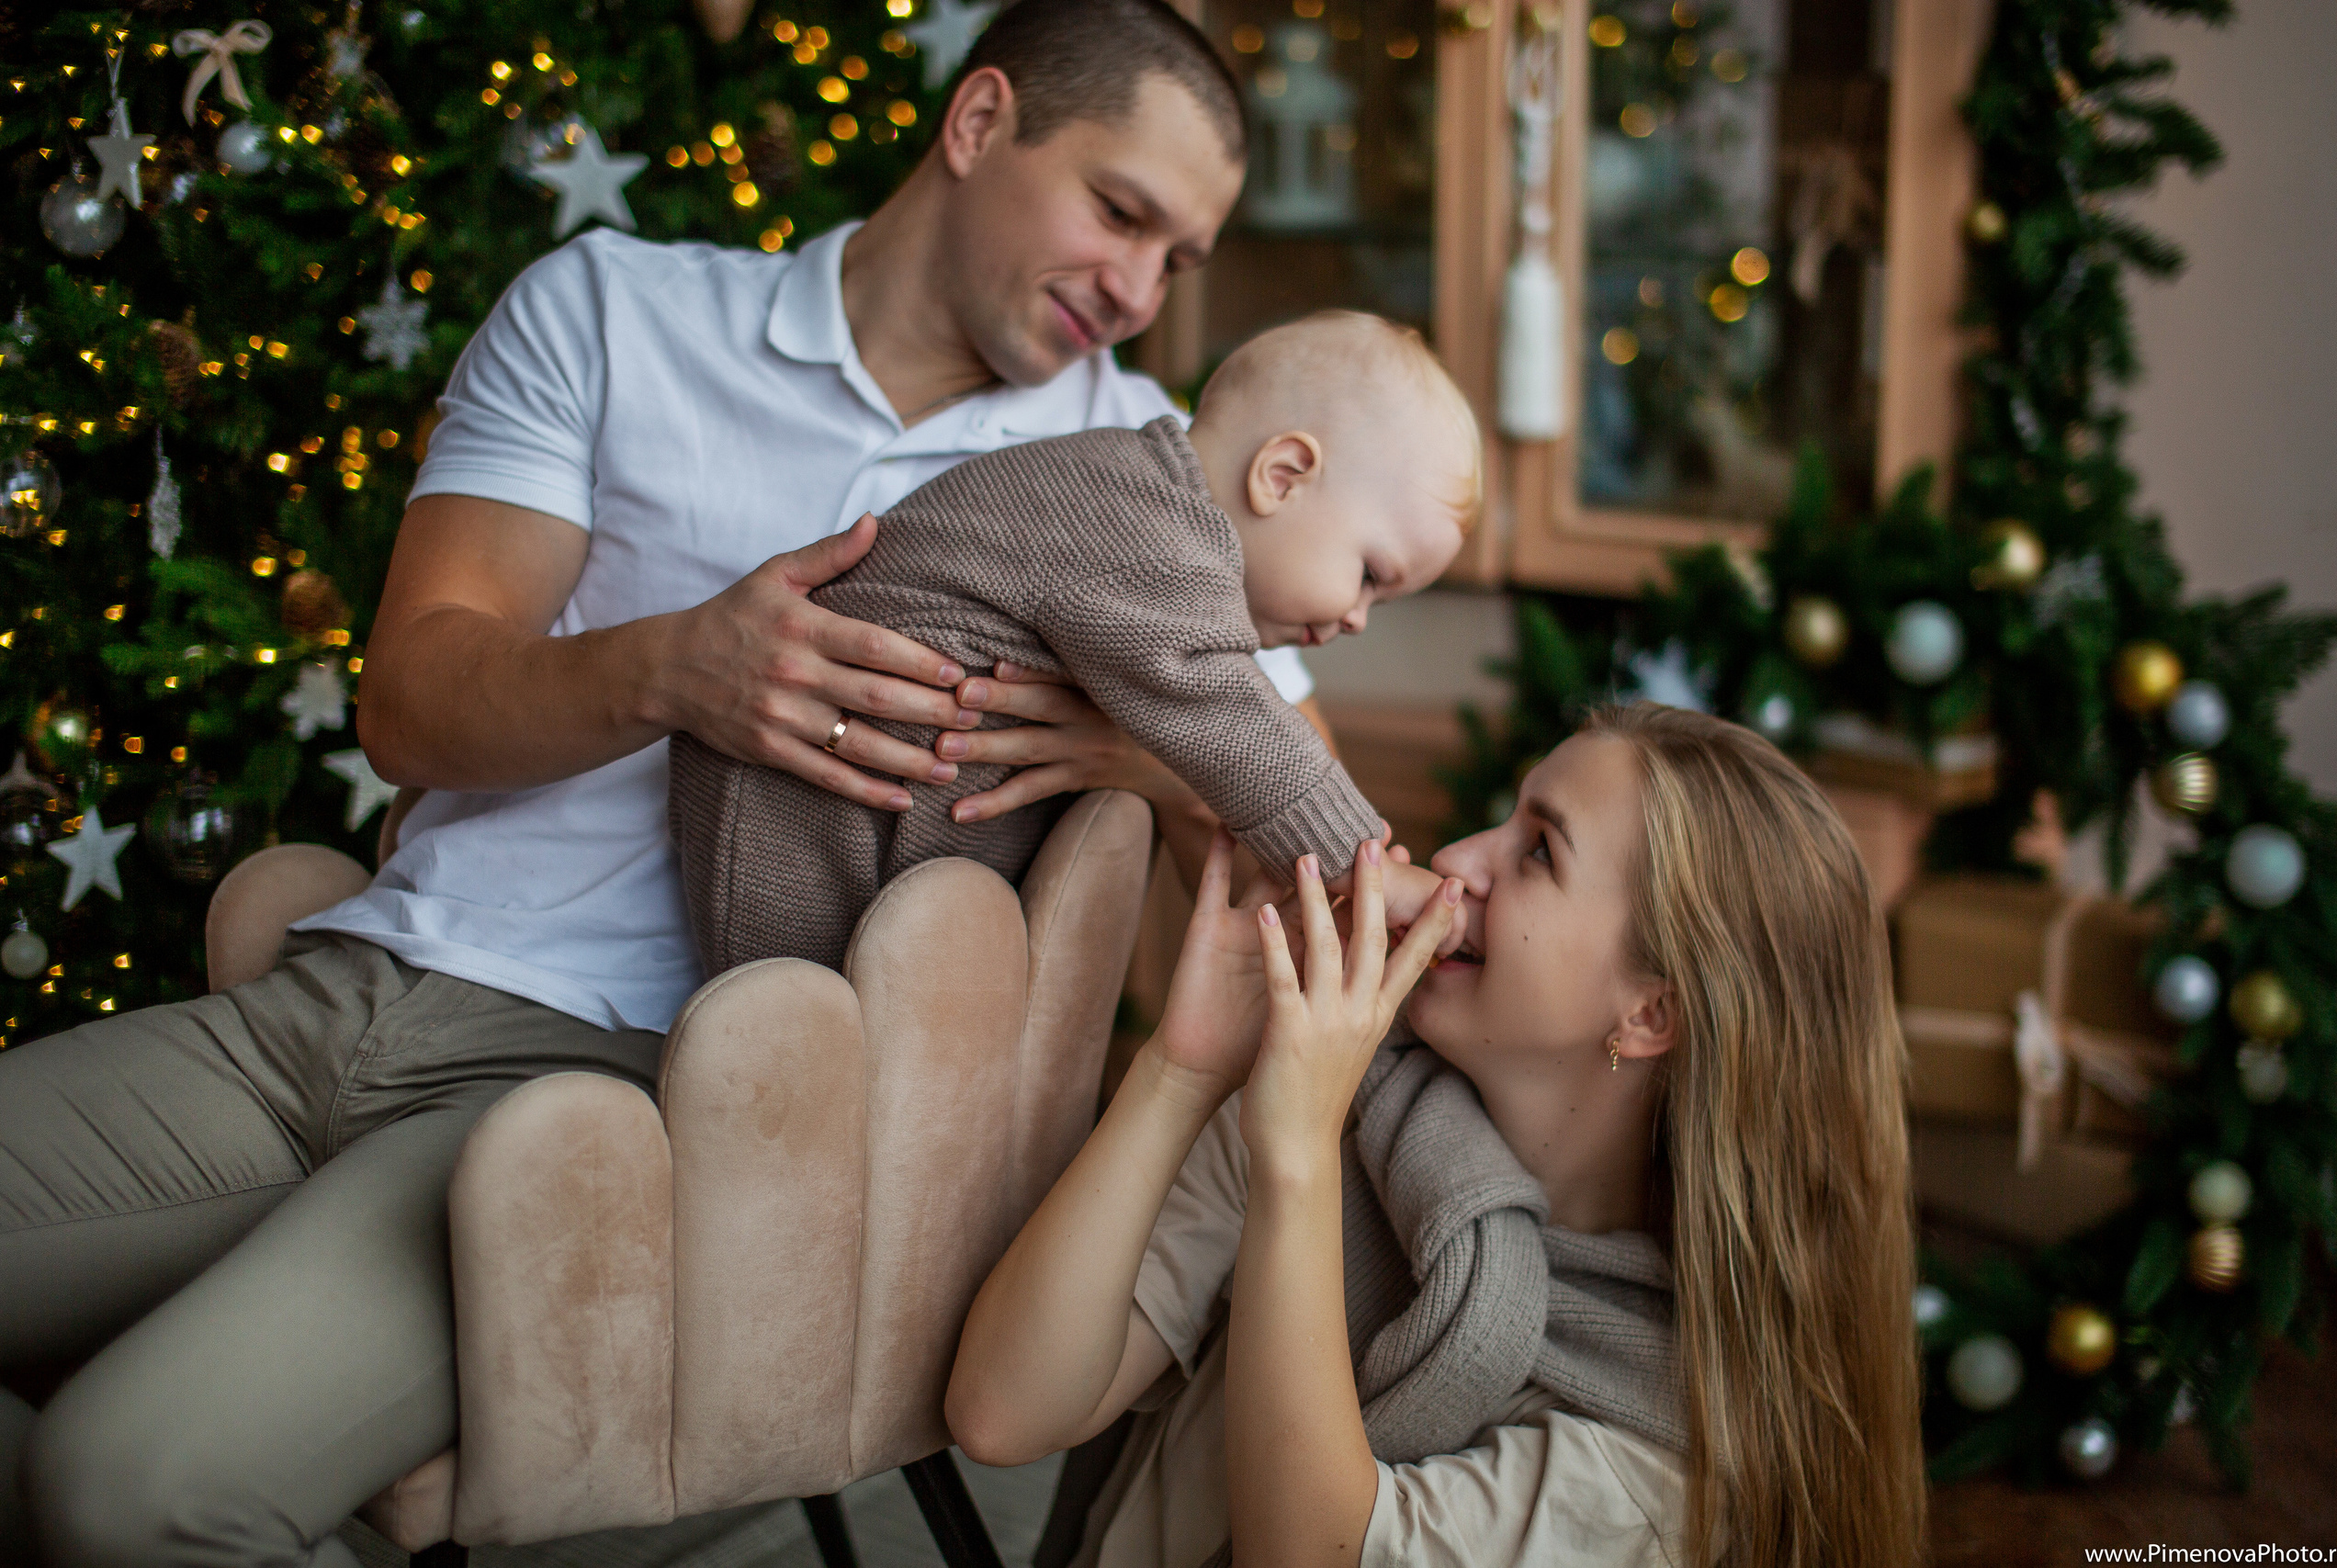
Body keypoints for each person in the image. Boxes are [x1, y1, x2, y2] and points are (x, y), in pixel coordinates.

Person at [0, 2, 1286, 1560]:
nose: (1140, 292)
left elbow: (1285, 811)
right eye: (1121, 213)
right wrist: (678, 667)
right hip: (342, 991)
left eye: (1177, 259)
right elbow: (410, 698)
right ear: (979, 121)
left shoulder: (1149, 470)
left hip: (608, 1097)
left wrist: (1123, 740)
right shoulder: (615, 311)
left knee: (124, 1488)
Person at [948, 704, 1926, 1568]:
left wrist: (1298, 1156)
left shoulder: (1654, 1458)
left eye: (1538, 852)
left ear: (1649, 1014)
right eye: (1507, 818)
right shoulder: (1358, 1105)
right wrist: (1184, 1072)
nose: (1458, 859)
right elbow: (1003, 1410)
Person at [672, 310, 1480, 975]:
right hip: (794, 811)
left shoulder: (1161, 530)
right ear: (1283, 475)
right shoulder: (1143, 522)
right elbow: (1230, 716)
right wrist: (1367, 867)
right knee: (785, 1030)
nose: (1358, 618)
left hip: (884, 830)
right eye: (1370, 575)